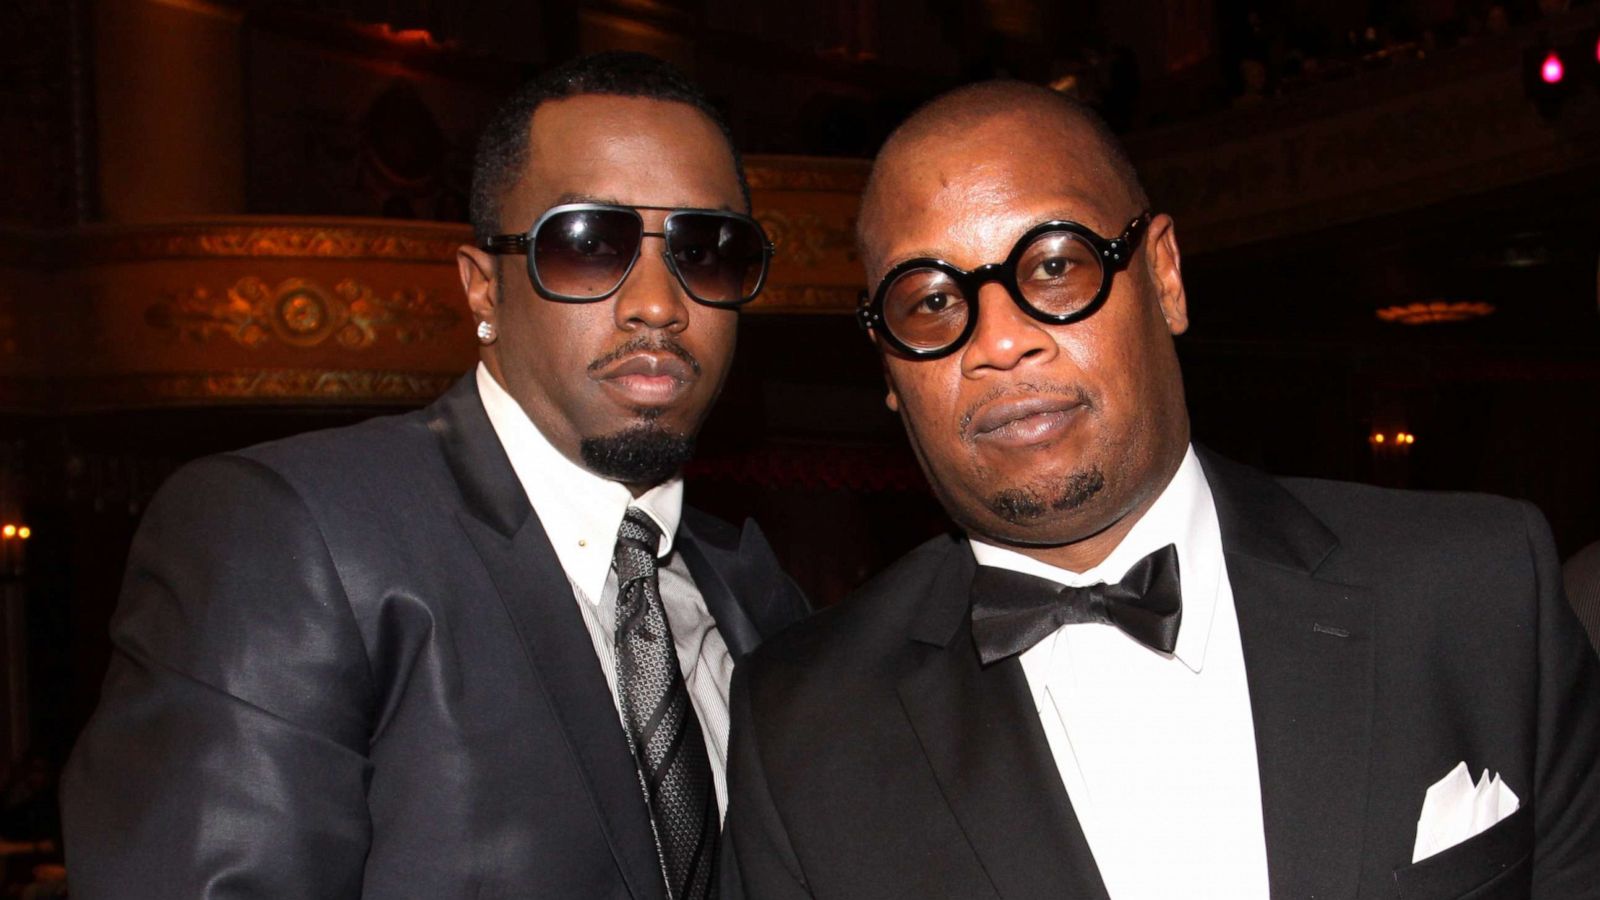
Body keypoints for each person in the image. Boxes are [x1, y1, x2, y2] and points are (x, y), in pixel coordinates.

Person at [725, 81, 1600, 899]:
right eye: (930, 303)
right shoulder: (803, 731)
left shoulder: (1477, 588)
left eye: (1055, 266)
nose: (999, 340)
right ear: (886, 365)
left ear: (1165, 275)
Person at [62, 52, 807, 899]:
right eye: (588, 245)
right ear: (482, 288)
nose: (657, 303)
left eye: (706, 252)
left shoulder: (758, 595)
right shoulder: (291, 536)